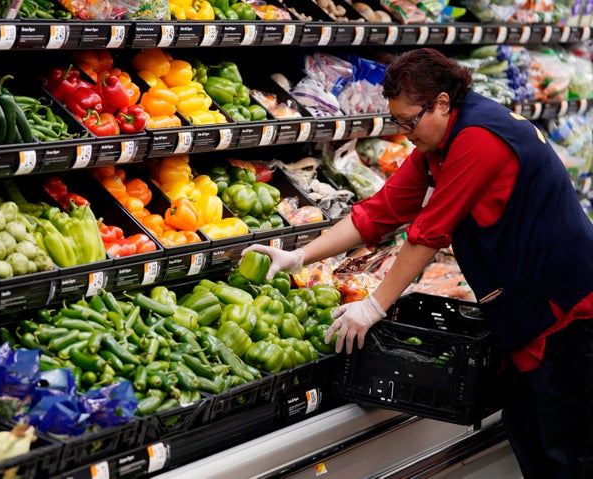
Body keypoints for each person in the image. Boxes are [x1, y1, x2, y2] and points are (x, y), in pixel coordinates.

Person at [243, 47, 593, 478]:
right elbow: (379, 211)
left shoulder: (479, 139)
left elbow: (427, 234)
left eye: (409, 121)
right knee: (527, 434)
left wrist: (374, 306)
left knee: (567, 448)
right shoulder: (439, 141)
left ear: (442, 102)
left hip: (564, 309)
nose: (405, 132)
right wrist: (297, 255)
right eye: (397, 122)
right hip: (524, 308)